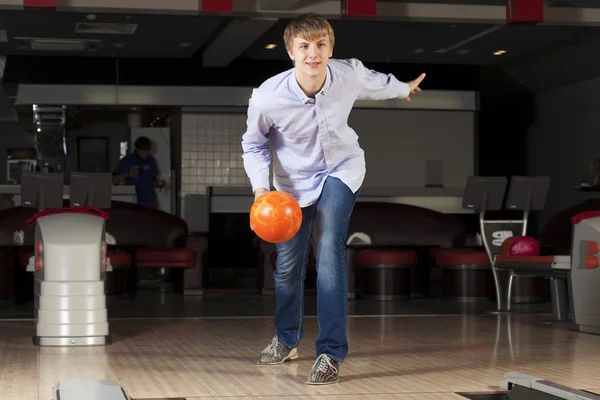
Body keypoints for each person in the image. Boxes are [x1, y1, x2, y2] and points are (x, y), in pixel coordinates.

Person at [241, 12, 425, 385]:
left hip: (342, 169)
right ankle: (287, 339)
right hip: (290, 186)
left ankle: (329, 352)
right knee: (288, 266)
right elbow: (253, 145)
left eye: (321, 45)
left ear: (330, 49)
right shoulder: (267, 97)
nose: (314, 54)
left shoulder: (347, 74)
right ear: (291, 52)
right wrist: (261, 189)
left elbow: (377, 83)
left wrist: (405, 88)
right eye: (305, 46)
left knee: (328, 252)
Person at [113, 136, 165, 209]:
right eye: (143, 151)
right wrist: (128, 174)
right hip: (132, 200)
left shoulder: (151, 160)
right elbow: (114, 179)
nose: (146, 153)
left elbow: (152, 181)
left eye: (148, 151)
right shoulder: (127, 160)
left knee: (152, 220)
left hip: (150, 200)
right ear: (137, 149)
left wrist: (159, 183)